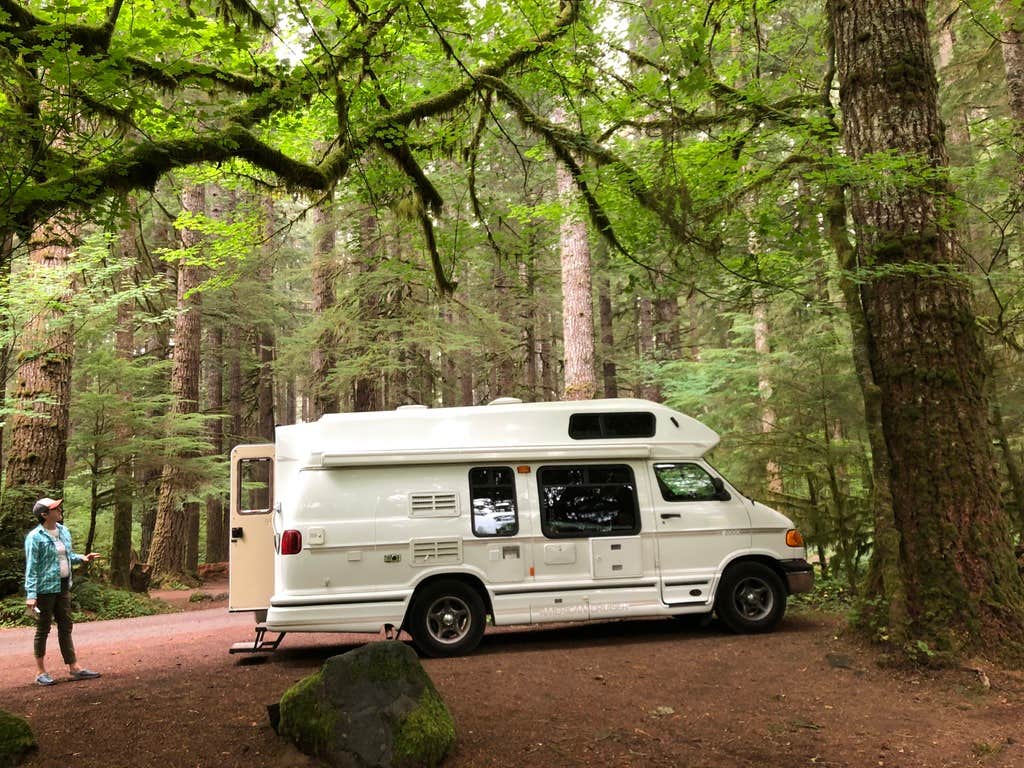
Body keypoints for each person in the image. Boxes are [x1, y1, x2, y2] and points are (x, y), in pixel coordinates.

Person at [24, 497, 102, 686]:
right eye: (55, 508)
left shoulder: (64, 531)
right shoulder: (35, 537)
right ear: (44, 514)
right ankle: (41, 672)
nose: (60, 510)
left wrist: (82, 558)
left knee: (66, 626)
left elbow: (66, 556)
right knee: (43, 628)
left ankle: (74, 667)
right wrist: (31, 594)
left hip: (63, 587)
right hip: (44, 590)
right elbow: (32, 567)